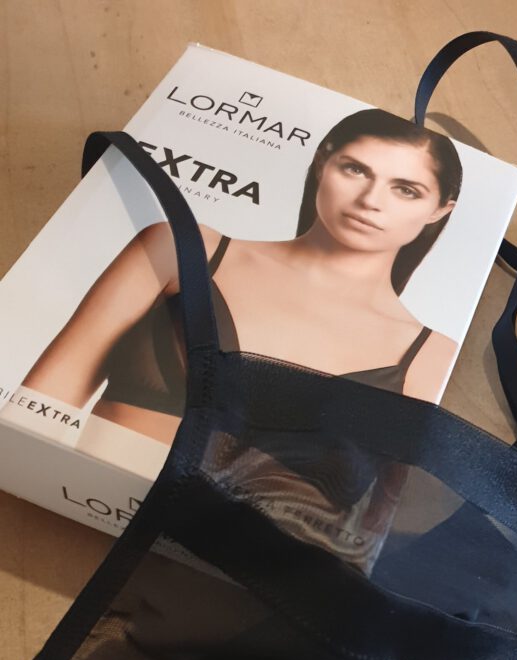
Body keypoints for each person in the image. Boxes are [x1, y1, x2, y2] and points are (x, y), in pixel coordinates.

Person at [22, 108, 462, 447]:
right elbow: (35, 407)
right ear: (322, 164)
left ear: (441, 209)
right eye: (355, 170)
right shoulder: (183, 250)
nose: (370, 200)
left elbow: (374, 516)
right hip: (71, 500)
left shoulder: (428, 355)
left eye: (405, 190)